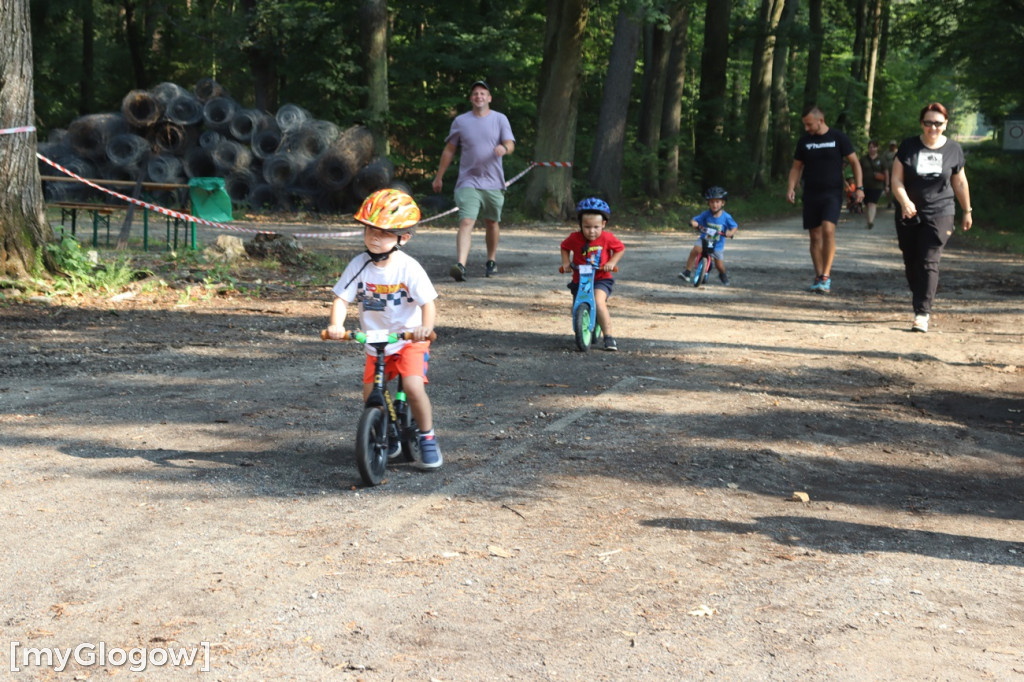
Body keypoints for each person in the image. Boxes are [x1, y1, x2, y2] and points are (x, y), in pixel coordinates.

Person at [325, 189, 443, 470]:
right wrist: (336, 325)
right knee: (371, 396)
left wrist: (425, 328)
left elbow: (428, 302)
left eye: (383, 232)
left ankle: (427, 436)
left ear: (403, 238)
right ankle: (385, 431)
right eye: (369, 231)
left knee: (413, 386)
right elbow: (342, 298)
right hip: (376, 341)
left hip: (408, 339)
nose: (374, 238)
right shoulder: (359, 264)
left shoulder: (409, 268)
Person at [889, 102, 973, 333]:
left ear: (945, 124)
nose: (933, 127)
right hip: (909, 211)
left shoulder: (954, 149)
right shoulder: (909, 146)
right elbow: (896, 179)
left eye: (938, 123)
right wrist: (905, 201)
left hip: (941, 211)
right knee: (911, 260)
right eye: (928, 122)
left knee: (929, 260)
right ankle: (920, 298)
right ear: (922, 123)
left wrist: (967, 210)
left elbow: (960, 181)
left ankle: (922, 313)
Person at [432, 80, 516, 281]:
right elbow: (449, 150)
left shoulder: (499, 119)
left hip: (494, 181)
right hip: (468, 181)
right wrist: (439, 176)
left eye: (483, 93)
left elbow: (510, 143)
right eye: (475, 93)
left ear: (489, 98)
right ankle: (461, 265)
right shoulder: (461, 121)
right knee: (466, 221)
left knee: (491, 222)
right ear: (471, 98)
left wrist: (504, 149)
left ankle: (491, 260)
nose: (479, 96)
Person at [786, 104, 863, 293]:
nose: (806, 128)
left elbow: (854, 162)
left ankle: (826, 275)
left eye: (809, 124)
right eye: (805, 125)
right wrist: (790, 187)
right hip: (811, 193)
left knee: (828, 230)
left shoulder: (838, 138)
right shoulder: (804, 141)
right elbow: (796, 167)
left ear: (820, 120)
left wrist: (859, 187)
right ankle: (819, 275)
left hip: (832, 193)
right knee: (814, 236)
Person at [560, 197, 625, 351]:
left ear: (603, 224)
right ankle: (582, 326)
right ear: (580, 225)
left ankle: (608, 337)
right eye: (587, 227)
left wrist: (611, 263)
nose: (591, 231)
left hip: (601, 279)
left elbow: (620, 249)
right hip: (580, 279)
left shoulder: (607, 238)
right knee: (576, 306)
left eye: (596, 227)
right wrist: (566, 263)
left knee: (598, 302)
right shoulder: (574, 238)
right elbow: (564, 247)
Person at [679, 186, 739, 285]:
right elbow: (695, 220)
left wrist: (730, 233)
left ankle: (722, 274)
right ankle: (687, 272)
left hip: (717, 244)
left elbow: (734, 226)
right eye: (711, 202)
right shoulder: (706, 214)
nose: (714, 204)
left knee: (719, 264)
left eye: (717, 201)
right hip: (705, 240)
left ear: (723, 203)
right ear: (708, 203)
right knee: (695, 250)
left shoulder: (726, 217)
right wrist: (694, 223)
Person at [859, 140, 888, 229]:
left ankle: (870, 222)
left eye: (874, 147)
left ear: (877, 148)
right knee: (867, 204)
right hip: (865, 185)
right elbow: (858, 171)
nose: (872, 149)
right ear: (868, 148)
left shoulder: (882, 159)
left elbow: (886, 172)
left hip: (877, 186)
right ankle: (868, 220)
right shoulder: (863, 159)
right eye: (870, 147)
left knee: (872, 203)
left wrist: (887, 185)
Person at [881, 139, 899, 208]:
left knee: (896, 188)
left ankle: (895, 200)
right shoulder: (886, 153)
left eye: (894, 145)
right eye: (891, 145)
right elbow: (882, 161)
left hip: (896, 173)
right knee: (888, 188)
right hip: (887, 173)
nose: (892, 147)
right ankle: (889, 201)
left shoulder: (898, 152)